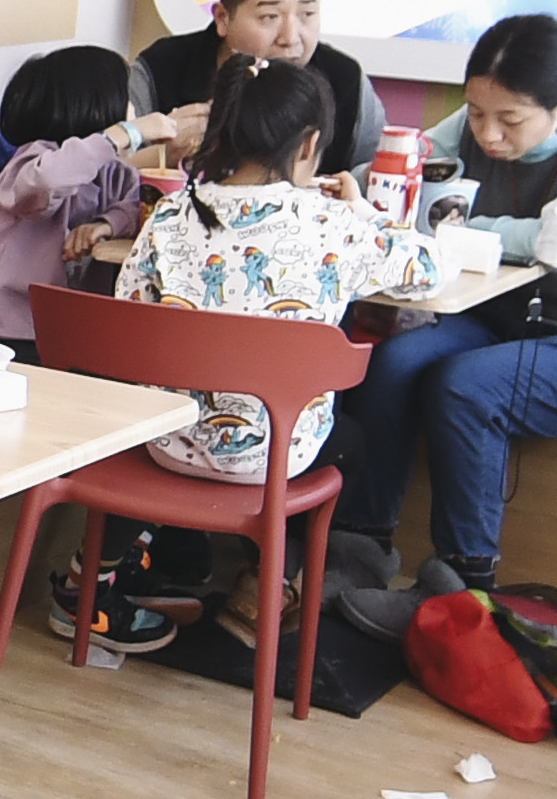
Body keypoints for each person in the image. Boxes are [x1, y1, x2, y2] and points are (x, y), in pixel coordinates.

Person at [333, 12, 557, 595]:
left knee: (466, 387)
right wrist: (383, 186)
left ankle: (460, 587)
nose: (488, 135)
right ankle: (359, 552)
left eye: (510, 120)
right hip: (500, 321)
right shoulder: (483, 115)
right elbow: (386, 181)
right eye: (476, 114)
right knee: (391, 365)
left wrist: (457, 229)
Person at [121, 57, 415, 490]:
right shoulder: (333, 224)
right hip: (278, 458)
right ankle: (281, 535)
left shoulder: (169, 213)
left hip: (167, 445)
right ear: (309, 145)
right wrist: (362, 209)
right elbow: (426, 269)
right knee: (352, 439)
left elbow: (127, 307)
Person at [0, 43, 202, 345]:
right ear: (94, 107)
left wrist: (106, 225)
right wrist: (126, 134)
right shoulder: (32, 161)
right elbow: (48, 181)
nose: (134, 115)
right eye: (128, 104)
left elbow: (136, 208)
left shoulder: (115, 172)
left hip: (63, 333)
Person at [136, 0, 381, 179]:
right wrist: (163, 154)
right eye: (269, 17)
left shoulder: (345, 80)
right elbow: (115, 168)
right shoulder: (160, 70)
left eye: (307, 14)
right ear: (222, 18)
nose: (290, 38)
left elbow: (370, 171)